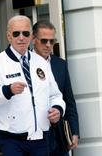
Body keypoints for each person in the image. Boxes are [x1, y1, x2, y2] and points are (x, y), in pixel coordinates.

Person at [0, 15, 66, 156]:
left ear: (31, 37)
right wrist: (7, 91)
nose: (21, 37)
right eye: (16, 33)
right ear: (9, 36)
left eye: (26, 33)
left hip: (40, 137)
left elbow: (55, 95)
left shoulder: (41, 62)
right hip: (12, 139)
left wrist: (57, 109)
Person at [32, 20, 79, 156]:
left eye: (52, 41)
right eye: (44, 41)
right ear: (34, 39)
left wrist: (74, 131)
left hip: (59, 134)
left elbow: (69, 99)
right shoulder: (24, 63)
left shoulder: (60, 64)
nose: (48, 45)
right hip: (35, 135)